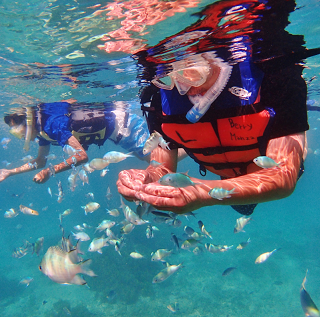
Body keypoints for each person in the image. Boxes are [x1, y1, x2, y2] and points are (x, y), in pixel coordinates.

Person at [117, 0, 320, 215]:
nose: (185, 87)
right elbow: (162, 168)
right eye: (169, 77)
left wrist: (202, 193)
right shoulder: (158, 95)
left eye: (194, 72)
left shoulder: (273, 75)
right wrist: (148, 176)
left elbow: (283, 175)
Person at [1, 100, 150, 184]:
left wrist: (49, 172)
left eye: (19, 132)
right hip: (116, 133)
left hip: (125, 124)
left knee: (156, 158)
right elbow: (40, 161)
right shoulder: (42, 133)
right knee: (146, 157)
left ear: (27, 122)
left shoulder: (53, 124)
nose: (22, 137)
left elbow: (82, 156)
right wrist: (10, 172)